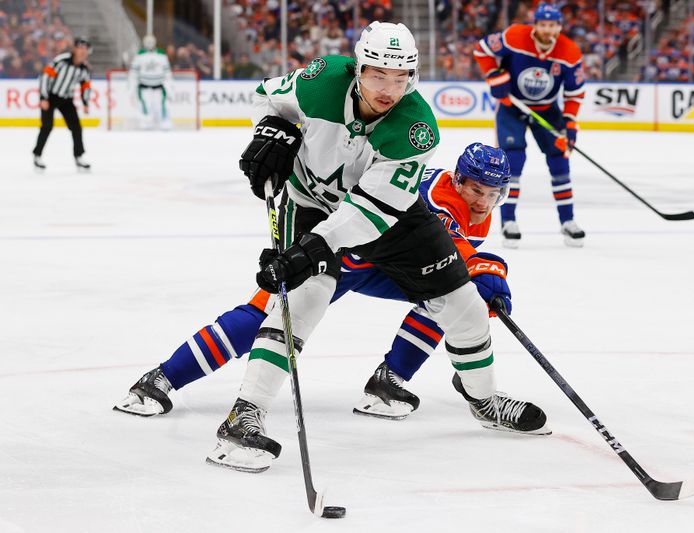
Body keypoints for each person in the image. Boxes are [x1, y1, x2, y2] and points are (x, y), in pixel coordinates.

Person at [122, 21, 550, 473]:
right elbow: (267, 95)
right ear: (358, 69)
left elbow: (369, 211)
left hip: (386, 217)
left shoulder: (416, 128)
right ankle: (243, 417)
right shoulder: (320, 80)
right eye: (378, 75)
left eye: (401, 77)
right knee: (300, 301)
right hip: (308, 202)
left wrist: (312, 249)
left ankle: (483, 401)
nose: (389, 88)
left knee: (461, 304)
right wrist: (273, 127)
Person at [115, 143, 543, 427]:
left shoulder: (477, 208)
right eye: (476, 189)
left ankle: (388, 381)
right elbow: (448, 252)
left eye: (493, 192)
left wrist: (481, 272)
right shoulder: (442, 197)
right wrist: (488, 270)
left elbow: (445, 265)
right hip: (336, 251)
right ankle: (161, 379)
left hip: (381, 261)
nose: (484, 200)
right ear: (457, 179)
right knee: (261, 319)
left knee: (439, 297)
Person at [474, 3, 586, 247]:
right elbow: (482, 50)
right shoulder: (515, 35)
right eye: (544, 24)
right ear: (535, 25)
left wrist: (569, 122)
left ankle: (568, 221)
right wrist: (493, 74)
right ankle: (509, 221)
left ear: (559, 27)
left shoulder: (569, 51)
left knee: (559, 161)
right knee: (513, 161)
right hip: (512, 107)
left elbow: (574, 93)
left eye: (553, 25)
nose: (548, 30)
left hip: (547, 110)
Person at [33, 37, 92, 172]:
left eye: (85, 49)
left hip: (66, 100)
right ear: (75, 49)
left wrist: (85, 102)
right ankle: (37, 155)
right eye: (80, 48)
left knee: (76, 127)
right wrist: (43, 97)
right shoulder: (62, 61)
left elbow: (85, 85)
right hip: (51, 96)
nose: (83, 52)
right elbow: (45, 76)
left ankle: (79, 156)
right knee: (47, 126)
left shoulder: (84, 68)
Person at [129, 34, 173, 130]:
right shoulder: (140, 54)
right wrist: (131, 86)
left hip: (159, 87)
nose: (149, 44)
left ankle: (163, 121)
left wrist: (169, 85)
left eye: (151, 42)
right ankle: (146, 121)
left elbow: (167, 71)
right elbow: (133, 72)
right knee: (145, 104)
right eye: (148, 42)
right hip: (144, 87)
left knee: (160, 104)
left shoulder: (161, 54)